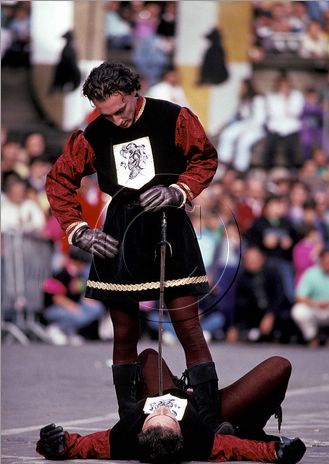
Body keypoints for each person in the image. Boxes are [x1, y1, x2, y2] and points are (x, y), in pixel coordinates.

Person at [45, 62, 224, 432]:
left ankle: (208, 420)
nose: (118, 121)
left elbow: (204, 157)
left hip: (168, 223)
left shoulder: (172, 117)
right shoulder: (93, 133)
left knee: (187, 326)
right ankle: (130, 420)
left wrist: (178, 190)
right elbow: (60, 179)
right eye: (106, 114)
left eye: (121, 110)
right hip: (120, 232)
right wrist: (78, 230)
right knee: (124, 332)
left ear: (133, 92)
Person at [36, 349, 306, 464]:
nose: (164, 409)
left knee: (149, 357)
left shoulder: (123, 437)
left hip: (176, 392)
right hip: (211, 414)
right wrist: (279, 451)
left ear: (142, 427)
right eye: (171, 417)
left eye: (156, 414)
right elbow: (243, 451)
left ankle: (178, 386)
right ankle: (246, 426)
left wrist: (55, 445)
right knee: (279, 366)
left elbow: (83, 446)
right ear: (181, 432)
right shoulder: (201, 442)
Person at [217, 79, 266, 172]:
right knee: (227, 134)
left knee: (244, 141)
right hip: (244, 125)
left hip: (256, 128)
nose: (240, 89)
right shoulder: (243, 99)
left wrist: (245, 130)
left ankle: (240, 168)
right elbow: (238, 116)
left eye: (242, 87)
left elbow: (259, 120)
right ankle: (224, 162)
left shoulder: (258, 99)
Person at [291, 249, 329, 347]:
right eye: (326, 261)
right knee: (298, 310)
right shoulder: (310, 273)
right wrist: (315, 303)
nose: (328, 264)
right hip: (314, 307)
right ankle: (312, 337)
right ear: (320, 261)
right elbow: (299, 297)